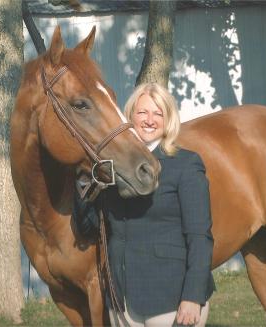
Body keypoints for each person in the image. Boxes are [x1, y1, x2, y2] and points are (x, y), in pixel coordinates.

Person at [73, 82, 215, 327]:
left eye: (158, 113)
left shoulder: (186, 164)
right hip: (121, 300)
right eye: (143, 113)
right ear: (130, 116)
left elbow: (200, 236)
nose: (150, 120)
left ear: (168, 120)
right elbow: (91, 227)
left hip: (170, 298)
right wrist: (84, 184)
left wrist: (193, 296)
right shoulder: (113, 167)